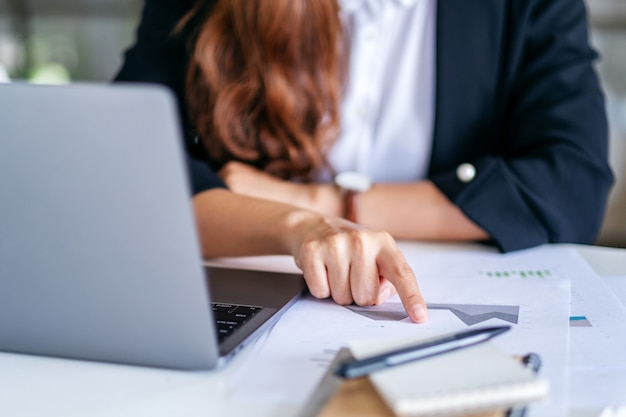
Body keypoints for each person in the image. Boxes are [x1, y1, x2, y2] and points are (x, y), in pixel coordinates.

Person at [114, 0, 613, 318]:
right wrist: (293, 224)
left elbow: (573, 184)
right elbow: (124, 164)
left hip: (432, 306)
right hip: (250, 288)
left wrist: (318, 201)